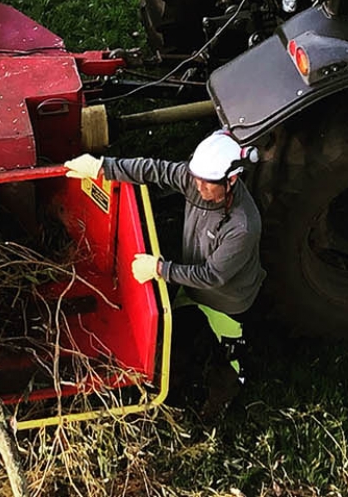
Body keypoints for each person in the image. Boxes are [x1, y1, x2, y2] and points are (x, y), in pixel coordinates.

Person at [64, 130, 265, 416]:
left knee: (218, 364)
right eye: (195, 179)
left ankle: (227, 383)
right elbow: (155, 169)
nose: (197, 187)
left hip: (225, 301)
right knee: (171, 350)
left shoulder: (242, 226)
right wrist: (103, 167)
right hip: (190, 288)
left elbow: (212, 276)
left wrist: (159, 269)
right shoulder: (199, 180)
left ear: (231, 180)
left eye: (206, 183)